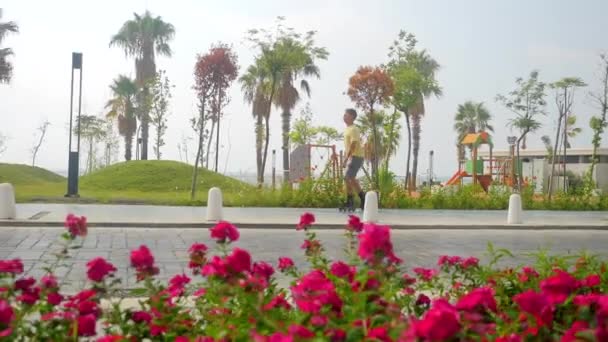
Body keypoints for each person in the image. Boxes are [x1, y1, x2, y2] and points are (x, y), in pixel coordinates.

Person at [342, 108, 365, 210]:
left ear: (352, 117)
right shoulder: (348, 129)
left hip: (356, 156)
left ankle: (350, 201)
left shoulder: (354, 129)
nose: (344, 116)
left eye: (346, 115)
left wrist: (346, 158)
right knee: (351, 178)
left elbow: (354, 144)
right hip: (353, 156)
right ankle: (362, 198)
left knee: (347, 177)